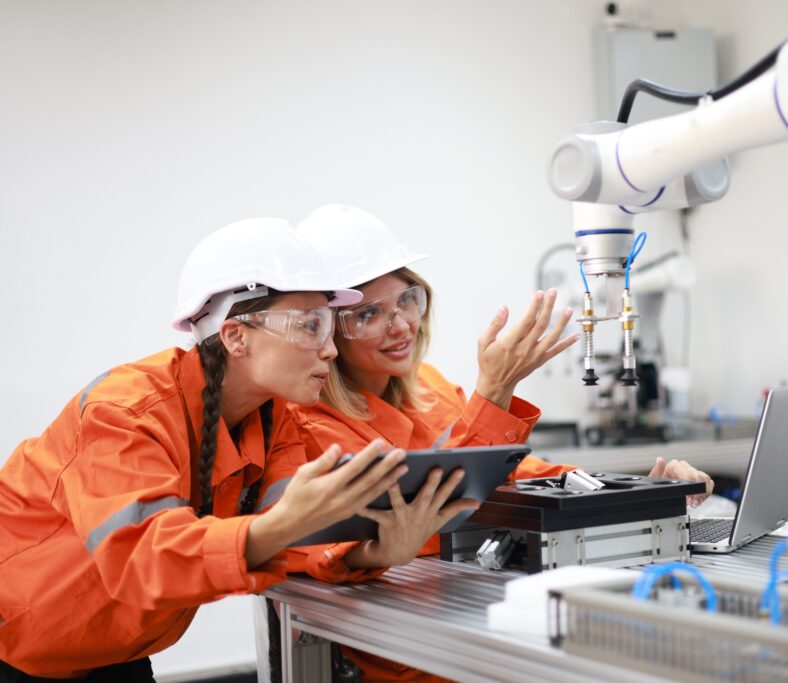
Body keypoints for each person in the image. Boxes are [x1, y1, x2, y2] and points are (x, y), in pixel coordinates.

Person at [283, 205, 715, 682]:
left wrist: (629, 494)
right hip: (413, 652)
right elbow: (429, 519)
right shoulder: (310, 423)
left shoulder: (428, 388)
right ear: (326, 329)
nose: (401, 324)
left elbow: (519, 476)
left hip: (475, 616)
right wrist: (493, 392)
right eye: (368, 313)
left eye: (406, 299)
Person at [0, 217, 409, 681]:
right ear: (236, 336)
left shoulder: (275, 418)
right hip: (17, 652)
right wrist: (283, 524)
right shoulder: (125, 412)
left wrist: (376, 551)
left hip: (114, 652)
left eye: (329, 326)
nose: (330, 350)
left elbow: (299, 541)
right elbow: (145, 559)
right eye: (309, 326)